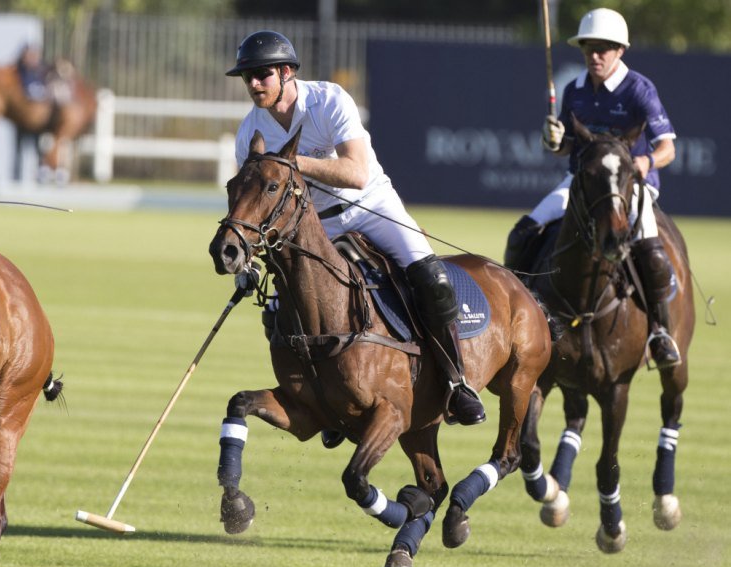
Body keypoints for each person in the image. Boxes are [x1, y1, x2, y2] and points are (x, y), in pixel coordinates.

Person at [227, 30, 486, 443]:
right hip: (313, 225)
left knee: (431, 278)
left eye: (262, 75)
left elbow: (355, 173)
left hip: (370, 206)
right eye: (248, 77)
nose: (254, 84)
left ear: (287, 72)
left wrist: (292, 166)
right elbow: (253, 199)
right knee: (280, 306)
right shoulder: (250, 132)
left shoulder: (329, 101)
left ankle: (456, 383)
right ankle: (323, 398)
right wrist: (249, 260)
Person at [503, 8, 681, 369]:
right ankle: (518, 319)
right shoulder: (575, 90)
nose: (595, 55)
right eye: (588, 48)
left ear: (620, 51)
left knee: (650, 250)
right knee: (523, 233)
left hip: (629, 187)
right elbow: (568, 146)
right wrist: (554, 141)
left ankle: (660, 332)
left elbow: (667, 147)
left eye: (603, 48)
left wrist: (645, 163)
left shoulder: (639, 90)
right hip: (582, 185)